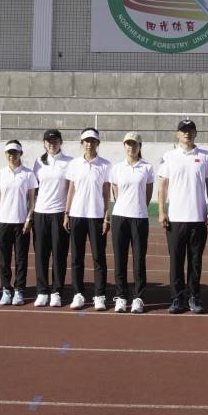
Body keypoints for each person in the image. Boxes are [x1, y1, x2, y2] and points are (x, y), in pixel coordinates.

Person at [156, 118, 208, 314]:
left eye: (190, 130)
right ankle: (177, 298)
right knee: (176, 261)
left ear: (196, 133)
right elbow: (163, 185)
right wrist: (162, 211)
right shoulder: (169, 156)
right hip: (175, 219)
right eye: (183, 130)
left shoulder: (205, 156)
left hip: (198, 217)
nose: (187, 133)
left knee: (195, 261)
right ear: (177, 134)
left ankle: (194, 297)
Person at [64, 128, 112, 311]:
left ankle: (99, 295)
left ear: (98, 143)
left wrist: (107, 215)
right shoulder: (74, 164)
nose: (89, 144)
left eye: (93, 141)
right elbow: (71, 189)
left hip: (97, 216)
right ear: (81, 143)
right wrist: (67, 213)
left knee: (99, 257)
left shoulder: (106, 165)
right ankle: (78, 294)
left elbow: (107, 192)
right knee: (77, 258)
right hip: (77, 215)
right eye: (86, 141)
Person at [108, 132, 154, 314]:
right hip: (119, 217)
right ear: (124, 146)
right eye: (128, 144)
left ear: (139, 146)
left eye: (134, 144)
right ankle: (121, 296)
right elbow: (115, 192)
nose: (130, 147)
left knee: (139, 259)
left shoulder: (147, 168)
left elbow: (148, 193)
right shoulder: (117, 168)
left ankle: (138, 297)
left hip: (139, 218)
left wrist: (139, 207)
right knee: (120, 258)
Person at [0, 140, 38, 305]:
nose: (12, 155)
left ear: (21, 154)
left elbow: (32, 200)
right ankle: (6, 289)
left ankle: (19, 290)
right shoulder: (0, 174)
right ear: (5, 154)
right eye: (9, 153)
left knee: (21, 259)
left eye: (15, 152)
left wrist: (29, 219)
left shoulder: (28, 174)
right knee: (4, 259)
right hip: (3, 221)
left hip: (21, 222)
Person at [31, 129, 73, 307]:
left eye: (55, 141)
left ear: (61, 142)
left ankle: (56, 291)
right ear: (44, 143)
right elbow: (34, 189)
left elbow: (71, 189)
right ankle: (42, 291)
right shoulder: (38, 162)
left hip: (59, 214)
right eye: (48, 141)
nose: (52, 144)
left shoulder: (69, 162)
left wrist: (67, 213)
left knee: (59, 254)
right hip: (40, 213)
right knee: (41, 255)